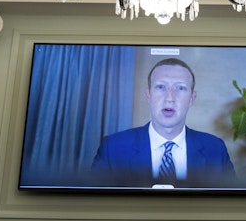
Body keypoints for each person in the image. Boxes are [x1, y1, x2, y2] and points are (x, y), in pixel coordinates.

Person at [91, 57, 236, 188]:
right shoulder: (113, 148)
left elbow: (230, 206)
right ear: (148, 95)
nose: (170, 98)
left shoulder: (216, 149)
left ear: (192, 98)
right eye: (161, 87)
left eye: (180, 88)